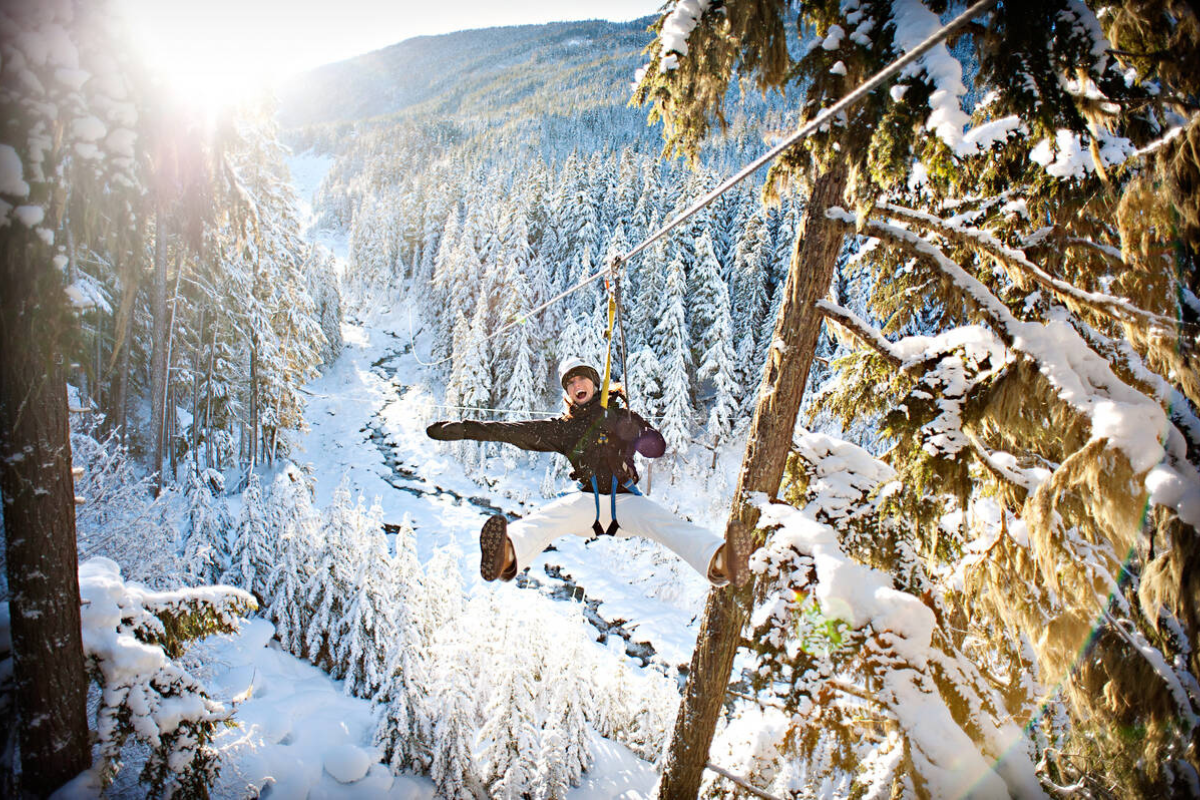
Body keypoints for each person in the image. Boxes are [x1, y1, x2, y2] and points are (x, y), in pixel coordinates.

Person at [425, 357, 736, 586]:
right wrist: (464, 429)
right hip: (585, 504)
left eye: (581, 379)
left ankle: (719, 560)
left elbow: (657, 449)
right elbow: (511, 431)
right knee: (547, 519)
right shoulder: (565, 430)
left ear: (594, 381)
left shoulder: (620, 415)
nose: (576, 386)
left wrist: (633, 430)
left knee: (663, 523)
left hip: (626, 502)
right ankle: (506, 555)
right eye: (569, 383)